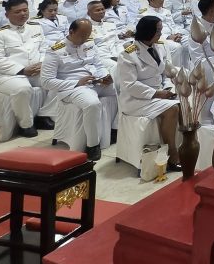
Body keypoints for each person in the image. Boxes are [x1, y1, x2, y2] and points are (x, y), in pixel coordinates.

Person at [41, 19, 117, 161]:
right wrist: (77, 82)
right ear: (71, 32)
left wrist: (105, 76)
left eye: (88, 35)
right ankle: (93, 145)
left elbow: (99, 65)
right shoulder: (55, 51)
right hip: (73, 87)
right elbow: (46, 81)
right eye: (82, 35)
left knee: (122, 90)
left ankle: (114, 129)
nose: (85, 39)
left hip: (96, 81)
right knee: (92, 104)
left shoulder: (89, 43)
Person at [115, 16, 182, 171]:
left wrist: (168, 88)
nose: (161, 33)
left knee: (186, 102)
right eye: (158, 31)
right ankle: (172, 154)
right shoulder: (128, 54)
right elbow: (130, 85)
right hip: (136, 100)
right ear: (148, 31)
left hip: (158, 93)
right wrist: (156, 93)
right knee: (172, 109)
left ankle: (185, 145)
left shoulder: (159, 46)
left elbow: (165, 72)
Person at [0, 0, 51, 136]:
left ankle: (43, 115)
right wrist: (22, 70)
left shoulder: (35, 27)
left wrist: (42, 63)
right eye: (17, 11)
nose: (23, 14)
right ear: (7, 15)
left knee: (56, 81)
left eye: (25, 10)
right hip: (8, 75)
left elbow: (44, 49)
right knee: (22, 89)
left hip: (36, 70)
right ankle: (26, 124)